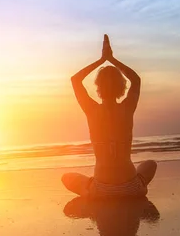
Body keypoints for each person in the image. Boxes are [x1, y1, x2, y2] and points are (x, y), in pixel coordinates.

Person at [62, 35, 157, 198]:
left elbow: (75, 79)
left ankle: (89, 188)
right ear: (122, 87)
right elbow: (136, 79)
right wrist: (112, 59)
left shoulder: (91, 110)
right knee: (150, 164)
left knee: (66, 178)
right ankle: (137, 185)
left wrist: (102, 60)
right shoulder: (127, 108)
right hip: (132, 189)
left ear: (98, 87)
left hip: (101, 191)